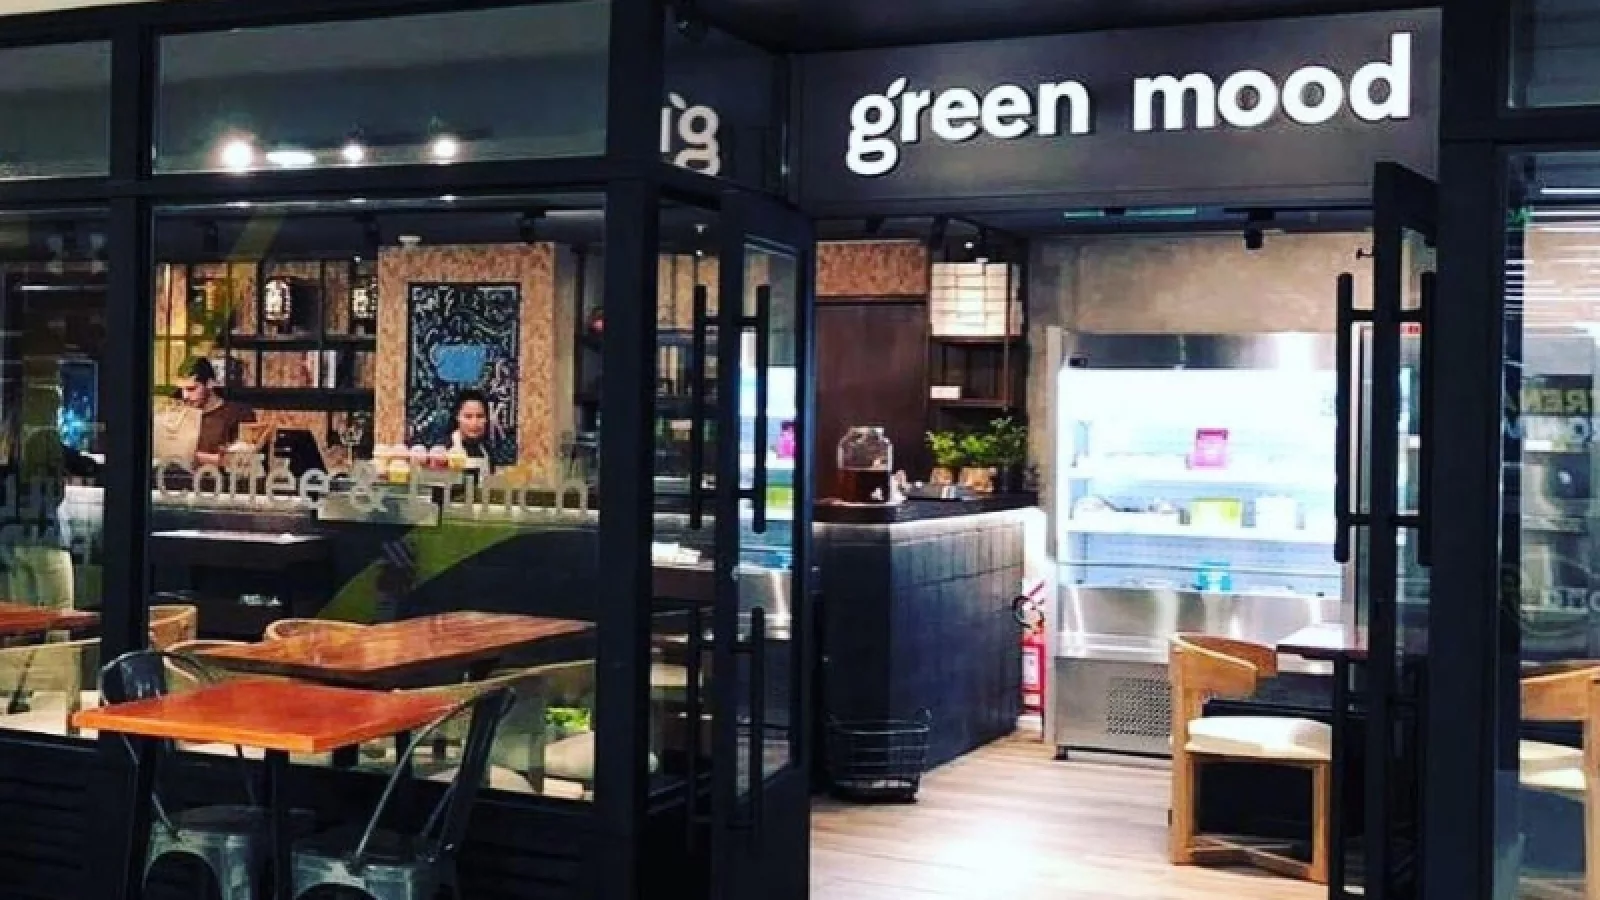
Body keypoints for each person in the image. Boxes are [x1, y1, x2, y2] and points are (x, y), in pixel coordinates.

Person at [179, 357, 256, 468]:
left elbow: (243, 460)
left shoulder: (238, 413)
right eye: (182, 389)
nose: (185, 396)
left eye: (191, 389)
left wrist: (192, 456)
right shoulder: (181, 415)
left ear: (210, 384)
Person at [448, 389, 495, 475]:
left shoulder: (488, 451)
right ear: (457, 417)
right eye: (468, 416)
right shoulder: (445, 448)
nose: (474, 423)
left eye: (480, 416)